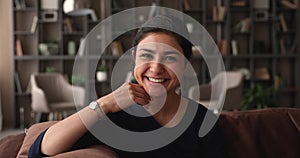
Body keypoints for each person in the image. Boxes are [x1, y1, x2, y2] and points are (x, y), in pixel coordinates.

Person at [29, 15, 228, 158]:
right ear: (134, 59)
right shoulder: (115, 114)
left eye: (170, 58)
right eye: (146, 55)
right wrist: (104, 103)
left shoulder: (202, 121)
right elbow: (40, 151)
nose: (156, 68)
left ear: (186, 66)